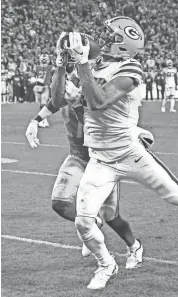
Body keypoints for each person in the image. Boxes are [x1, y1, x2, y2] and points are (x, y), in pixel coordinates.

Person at [59, 18, 178, 290]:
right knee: (83, 223)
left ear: (122, 43)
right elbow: (74, 104)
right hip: (100, 159)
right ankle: (106, 264)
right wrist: (66, 66)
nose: (100, 36)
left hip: (131, 154)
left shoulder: (129, 68)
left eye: (108, 34)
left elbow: (97, 101)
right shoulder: (93, 65)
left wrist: (82, 65)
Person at [25, 45, 155, 269]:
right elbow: (56, 101)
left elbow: (98, 126)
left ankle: (134, 246)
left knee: (111, 216)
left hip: (102, 159)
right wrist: (35, 120)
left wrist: (76, 103)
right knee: (60, 203)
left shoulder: (97, 87)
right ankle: (92, 224)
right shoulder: (75, 77)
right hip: (77, 156)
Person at [33, 53, 54, 127]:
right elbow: (33, 76)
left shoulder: (51, 67)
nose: (44, 60)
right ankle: (43, 120)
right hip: (38, 86)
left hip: (45, 86)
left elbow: (54, 76)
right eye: (43, 59)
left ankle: (43, 121)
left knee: (43, 103)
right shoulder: (37, 67)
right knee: (40, 104)